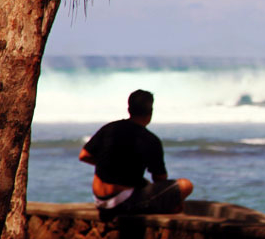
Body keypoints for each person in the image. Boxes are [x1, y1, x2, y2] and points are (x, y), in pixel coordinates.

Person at [78, 89, 194, 222]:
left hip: (100, 201)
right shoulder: (150, 140)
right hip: (122, 203)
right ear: (150, 112)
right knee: (185, 185)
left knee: (144, 184)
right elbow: (160, 178)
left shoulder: (110, 128)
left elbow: (84, 155)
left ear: (129, 109)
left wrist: (109, 164)